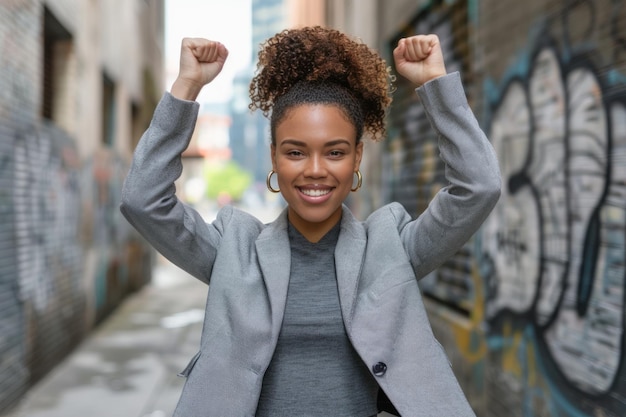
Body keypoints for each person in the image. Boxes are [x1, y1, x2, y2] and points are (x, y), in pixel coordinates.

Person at [120, 26, 501, 417]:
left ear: (357, 157)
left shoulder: (392, 248)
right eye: (296, 152)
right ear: (273, 158)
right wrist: (187, 86)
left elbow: (479, 187)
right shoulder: (233, 250)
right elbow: (143, 200)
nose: (315, 170)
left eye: (334, 152)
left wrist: (436, 84)